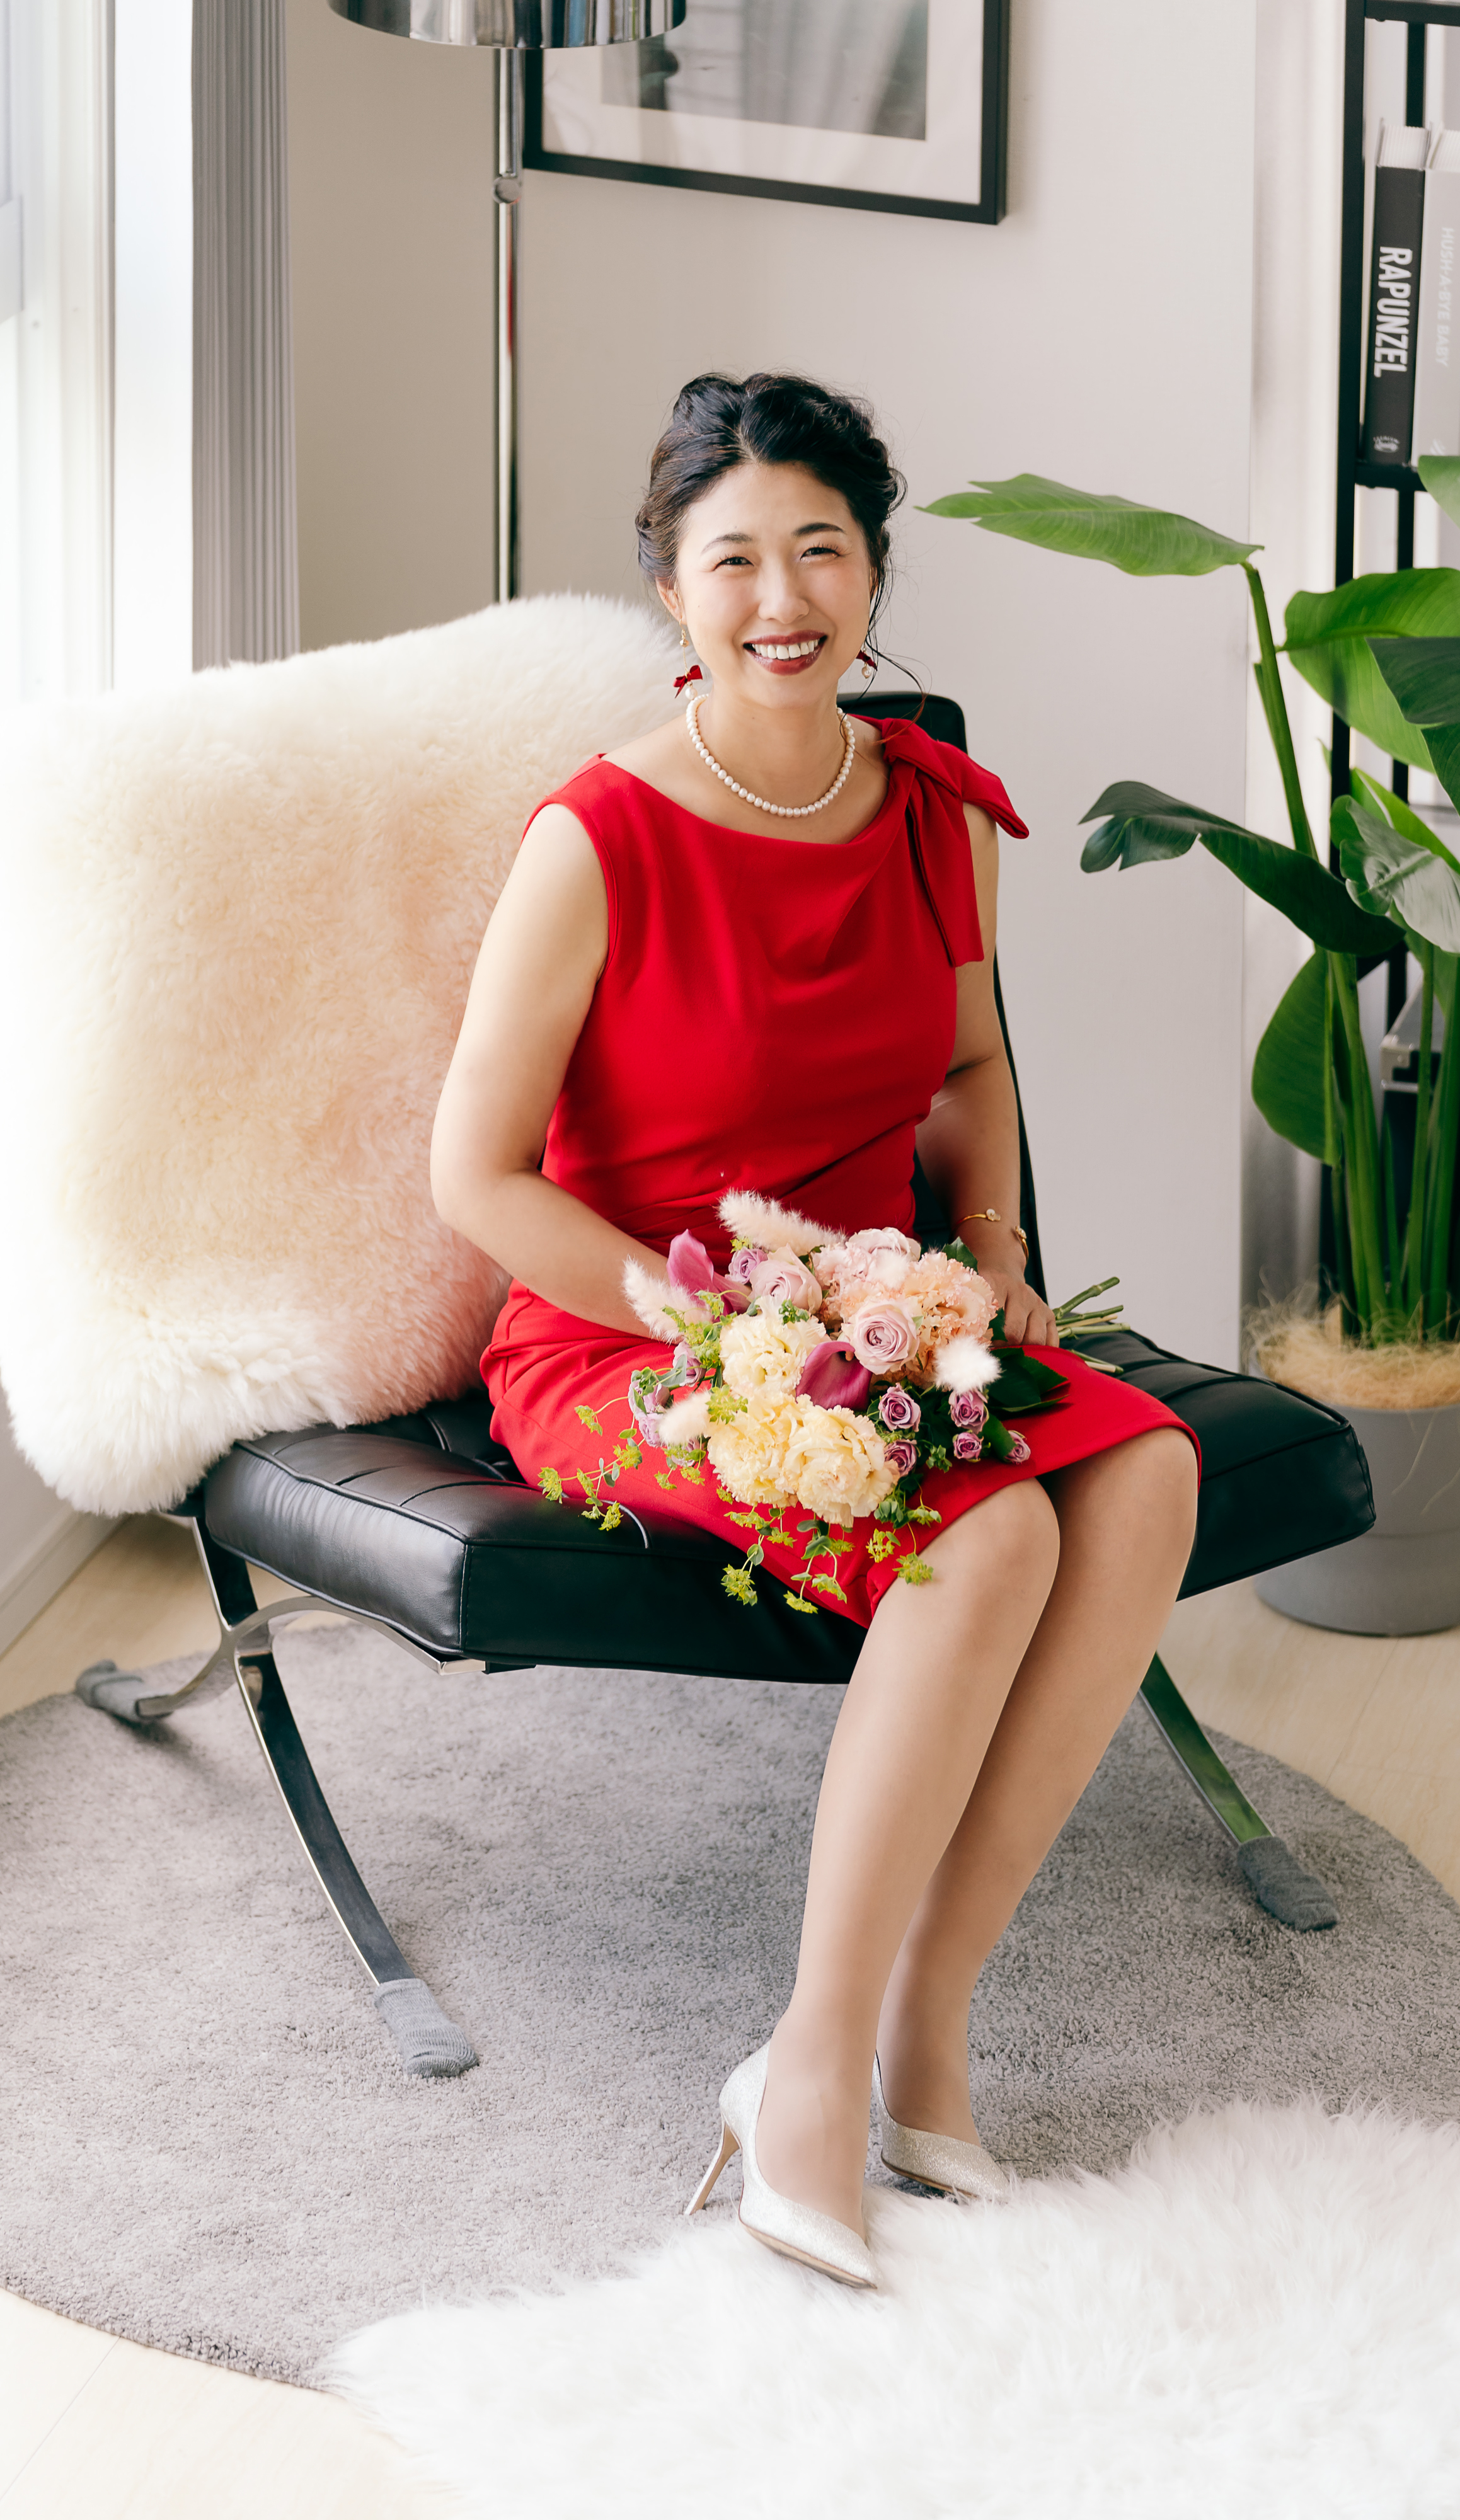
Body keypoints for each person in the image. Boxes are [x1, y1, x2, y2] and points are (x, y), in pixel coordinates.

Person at [431, 372, 1200, 2291]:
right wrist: (705, 1324)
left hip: (874, 1313)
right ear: (670, 589)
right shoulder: (596, 837)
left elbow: (967, 1070)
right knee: (989, 1537)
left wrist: (992, 1255)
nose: (782, 599)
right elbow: (477, 1174)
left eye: (821, 551)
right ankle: (807, 2067)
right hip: (631, 1337)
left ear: (872, 571)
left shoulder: (935, 812)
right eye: (734, 561)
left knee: (1148, 1472)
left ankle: (926, 2025)